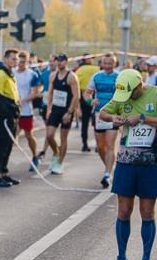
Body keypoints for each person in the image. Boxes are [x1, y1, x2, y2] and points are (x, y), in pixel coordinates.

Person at [98, 69, 157, 260]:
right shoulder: (122, 94)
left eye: (131, 93)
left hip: (151, 163)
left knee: (147, 213)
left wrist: (142, 117)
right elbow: (102, 113)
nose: (128, 97)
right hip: (126, 162)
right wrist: (115, 117)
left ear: (140, 85)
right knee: (123, 211)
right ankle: (121, 258)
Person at [84, 52, 120, 187]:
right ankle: (110, 168)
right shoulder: (96, 76)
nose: (108, 65)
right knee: (100, 147)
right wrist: (90, 101)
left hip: (113, 115)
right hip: (99, 114)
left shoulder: (119, 77)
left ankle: (106, 174)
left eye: (111, 63)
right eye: (105, 63)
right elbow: (87, 93)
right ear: (102, 64)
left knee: (111, 145)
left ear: (114, 64)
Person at [0, 48, 21, 187]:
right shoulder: (1, 74)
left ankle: (3, 173)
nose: (16, 61)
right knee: (1, 146)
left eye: (17, 59)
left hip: (11, 115)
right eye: (13, 58)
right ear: (6, 59)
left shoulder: (10, 74)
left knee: (8, 145)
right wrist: (8, 110)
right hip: (4, 116)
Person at [45, 53, 80, 175]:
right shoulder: (53, 75)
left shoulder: (72, 77)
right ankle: (56, 152)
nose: (59, 63)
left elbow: (76, 96)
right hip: (55, 109)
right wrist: (48, 108)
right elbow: (50, 92)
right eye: (57, 61)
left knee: (63, 138)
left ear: (66, 62)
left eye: (61, 61)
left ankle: (60, 163)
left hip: (66, 111)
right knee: (49, 135)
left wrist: (70, 112)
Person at [14, 51, 43, 170]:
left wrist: (22, 100)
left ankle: (35, 156)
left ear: (27, 62)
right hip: (13, 109)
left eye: (23, 62)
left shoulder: (32, 74)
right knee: (12, 135)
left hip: (26, 110)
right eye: (18, 61)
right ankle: (3, 164)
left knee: (28, 135)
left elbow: (35, 93)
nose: (20, 64)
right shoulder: (12, 72)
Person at [75, 53, 99, 152]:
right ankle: (98, 145)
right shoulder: (97, 69)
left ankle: (84, 144)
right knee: (97, 122)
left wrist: (77, 106)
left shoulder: (79, 70)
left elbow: (76, 87)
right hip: (95, 97)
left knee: (84, 123)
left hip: (83, 97)